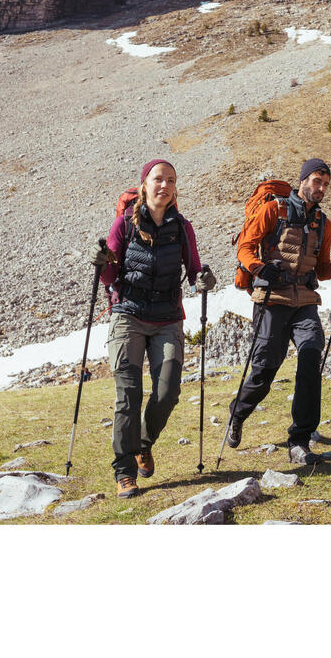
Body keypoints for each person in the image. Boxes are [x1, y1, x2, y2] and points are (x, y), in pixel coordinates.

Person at [90, 159, 216, 498]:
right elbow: (109, 278)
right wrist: (101, 262)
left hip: (167, 317)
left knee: (168, 391)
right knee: (128, 393)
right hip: (127, 314)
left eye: (171, 180)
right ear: (145, 184)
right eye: (158, 179)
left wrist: (203, 279)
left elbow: (193, 273)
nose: (164, 186)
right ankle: (124, 470)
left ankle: (143, 443)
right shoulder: (124, 225)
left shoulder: (182, 227)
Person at [227, 158, 331, 465]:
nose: (321, 188)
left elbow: (324, 269)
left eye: (326, 184)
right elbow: (245, 248)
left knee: (312, 357)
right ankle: (238, 413)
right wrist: (260, 268)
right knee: (264, 369)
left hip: (304, 301)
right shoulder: (274, 210)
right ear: (302, 180)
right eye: (316, 181)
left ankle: (299, 440)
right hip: (271, 299)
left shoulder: (323, 223)